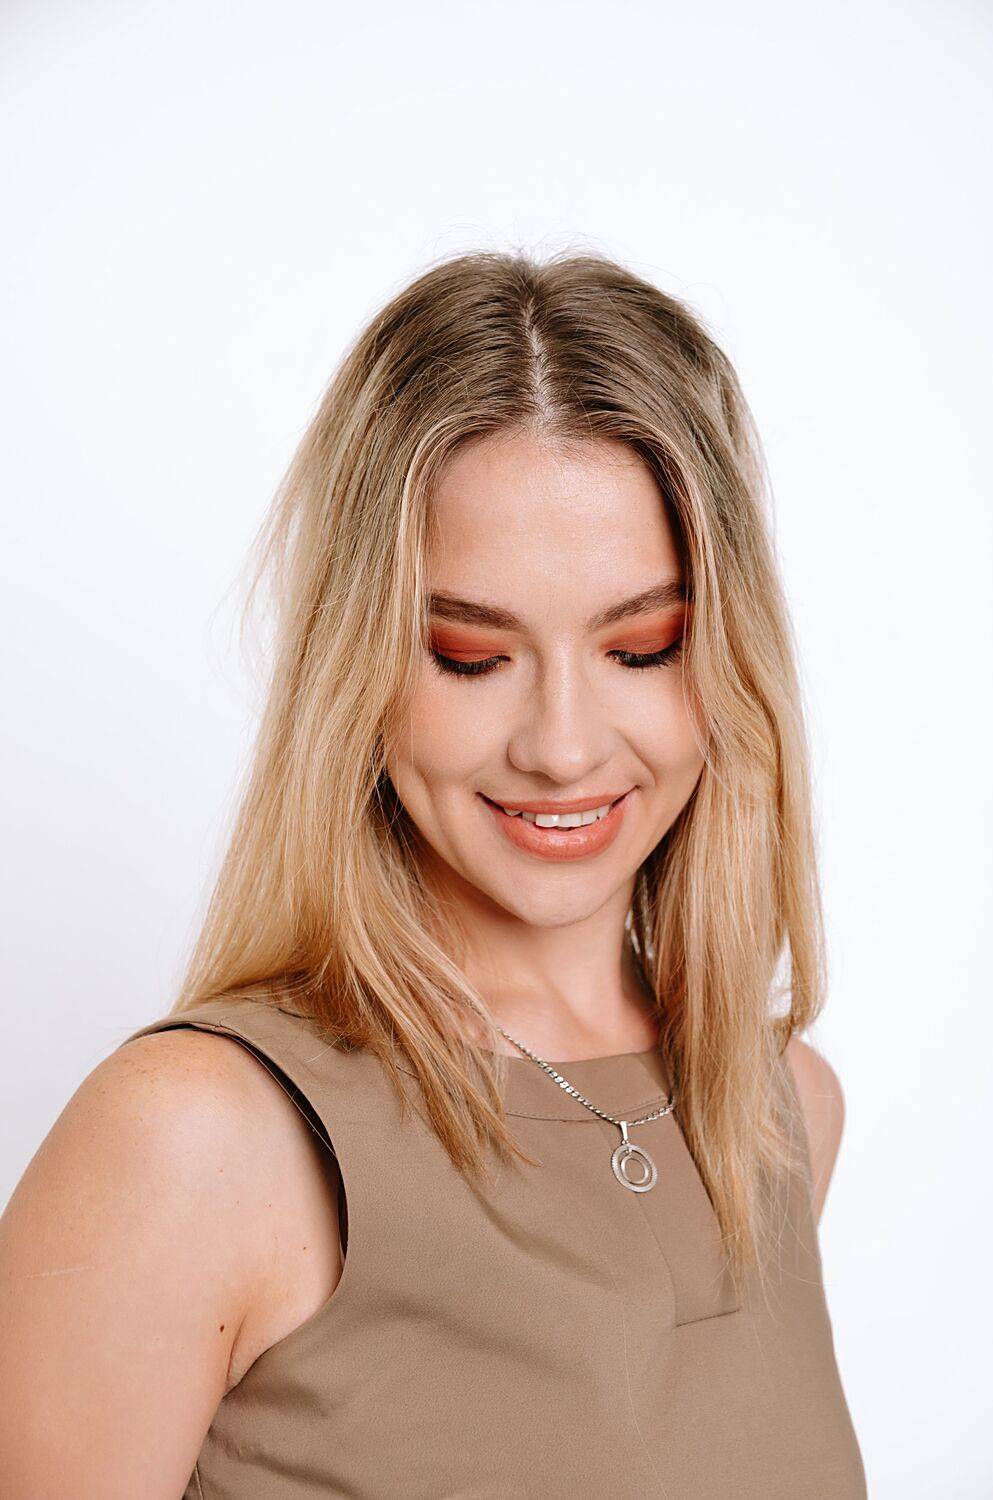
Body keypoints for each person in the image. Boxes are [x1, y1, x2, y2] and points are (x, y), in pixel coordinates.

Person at [0, 251, 867, 1497]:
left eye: (642, 647)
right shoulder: (196, 1139)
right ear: (358, 668)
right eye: (469, 655)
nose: (562, 745)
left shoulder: (779, 1113)